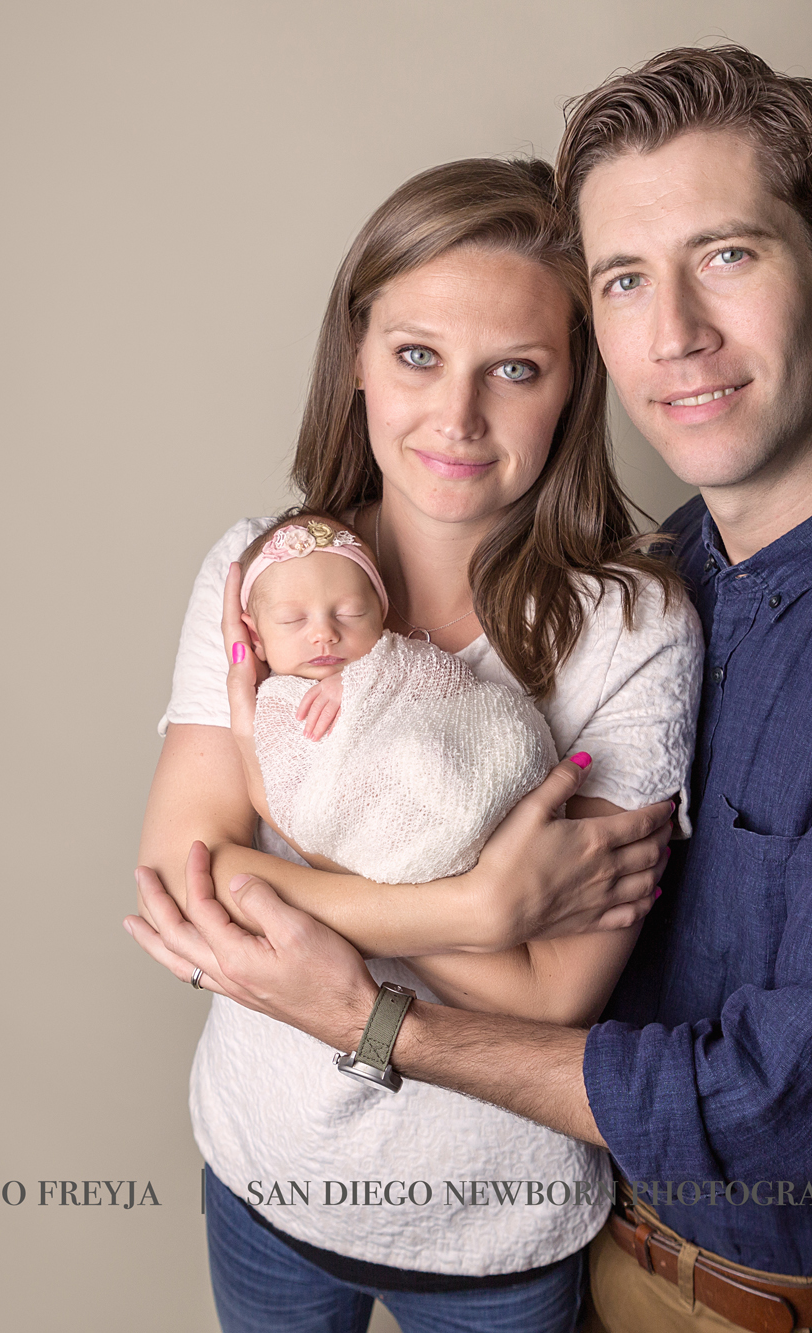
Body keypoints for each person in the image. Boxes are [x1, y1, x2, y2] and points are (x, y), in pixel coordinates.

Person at [128, 45, 812, 1333]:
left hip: (749, 1294)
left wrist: (366, 1010)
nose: (676, 335)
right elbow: (190, 884)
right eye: (626, 279)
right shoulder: (689, 568)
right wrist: (481, 906)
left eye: (729, 256)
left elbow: (768, 1107)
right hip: (588, 1231)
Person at [126, 157, 702, 1331]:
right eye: (417, 356)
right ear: (356, 358)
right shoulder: (263, 573)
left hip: (497, 1222)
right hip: (261, 1173)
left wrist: (289, 892)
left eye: (516, 371)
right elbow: (188, 884)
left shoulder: (635, 633)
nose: (456, 416)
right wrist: (472, 912)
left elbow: (550, 1005)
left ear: (574, 386)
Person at [235, 513, 560, 887]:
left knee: (433, 748)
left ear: (380, 613)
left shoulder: (393, 659)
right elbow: (291, 799)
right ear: (256, 636)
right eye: (294, 620)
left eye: (349, 613)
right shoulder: (272, 702)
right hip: (363, 837)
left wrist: (361, 681)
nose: (324, 633)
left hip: (453, 777)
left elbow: (450, 681)